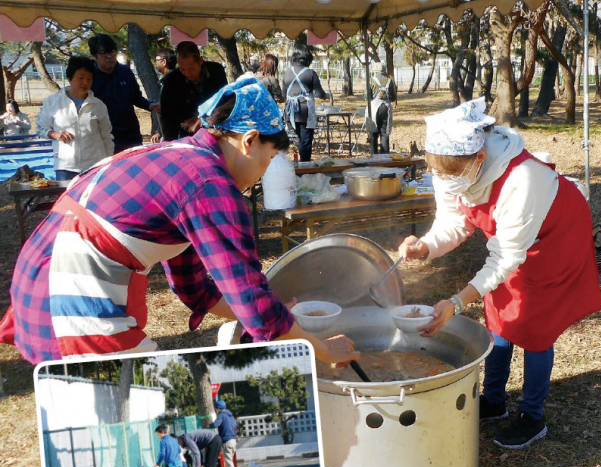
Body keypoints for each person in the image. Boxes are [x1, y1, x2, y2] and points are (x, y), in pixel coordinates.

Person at [2, 76, 359, 368]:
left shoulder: (181, 159)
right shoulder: (209, 184)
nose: (261, 174)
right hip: (72, 290)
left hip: (38, 276)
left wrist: (276, 316)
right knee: (126, 418)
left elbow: (193, 286)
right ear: (249, 141)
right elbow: (252, 300)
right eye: (268, 161)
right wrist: (322, 349)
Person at [398, 97, 601, 449]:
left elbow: (504, 258)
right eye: (439, 172)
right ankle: (494, 401)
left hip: (556, 238)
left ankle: (532, 416)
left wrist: (456, 302)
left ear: (479, 157)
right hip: (511, 242)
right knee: (498, 311)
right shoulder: (450, 167)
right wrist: (426, 246)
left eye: (452, 173)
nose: (446, 181)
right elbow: (454, 222)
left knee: (535, 325)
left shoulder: (522, 178)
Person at [35, 56, 114, 181]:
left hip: (95, 165)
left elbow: (106, 136)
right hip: (65, 167)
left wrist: (109, 161)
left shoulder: (98, 105)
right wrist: (54, 134)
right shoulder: (52, 102)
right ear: (70, 78)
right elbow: (40, 128)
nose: (85, 83)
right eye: (81, 78)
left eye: (89, 79)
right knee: (68, 200)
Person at [88, 34, 160, 152]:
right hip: (102, 136)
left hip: (130, 134)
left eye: (112, 51)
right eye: (103, 53)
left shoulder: (125, 71)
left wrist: (150, 105)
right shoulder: (89, 75)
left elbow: (136, 98)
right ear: (95, 56)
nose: (109, 56)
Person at [159, 41, 228, 141]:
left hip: (217, 129)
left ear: (200, 60)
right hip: (188, 134)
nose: (187, 73)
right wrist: (170, 143)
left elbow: (224, 99)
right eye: (182, 69)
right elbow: (168, 117)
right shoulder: (171, 80)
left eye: (191, 69)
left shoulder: (216, 71)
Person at [280, 45, 328, 161]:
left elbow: (284, 95)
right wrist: (327, 95)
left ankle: (298, 167)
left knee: (297, 142)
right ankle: (305, 168)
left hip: (290, 112)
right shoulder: (311, 73)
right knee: (305, 142)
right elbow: (320, 93)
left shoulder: (287, 73)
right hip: (305, 112)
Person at [367, 63, 396, 154]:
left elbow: (366, 96)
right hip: (386, 108)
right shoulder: (390, 81)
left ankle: (374, 157)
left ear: (375, 71)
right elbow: (393, 98)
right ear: (384, 71)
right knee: (384, 134)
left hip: (373, 109)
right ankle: (384, 159)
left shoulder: (371, 80)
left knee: (373, 134)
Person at [150, 48, 177, 144]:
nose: (155, 63)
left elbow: (173, 112)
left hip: (174, 135)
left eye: (156, 60)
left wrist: (159, 133)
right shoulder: (171, 80)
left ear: (164, 61)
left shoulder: (171, 82)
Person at [211, 399, 238, 467]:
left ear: (218, 408)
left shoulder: (221, 414)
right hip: (233, 440)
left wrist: (210, 425)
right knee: (230, 462)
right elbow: (235, 427)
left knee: (229, 462)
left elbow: (216, 424)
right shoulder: (230, 415)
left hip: (226, 440)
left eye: (216, 408)